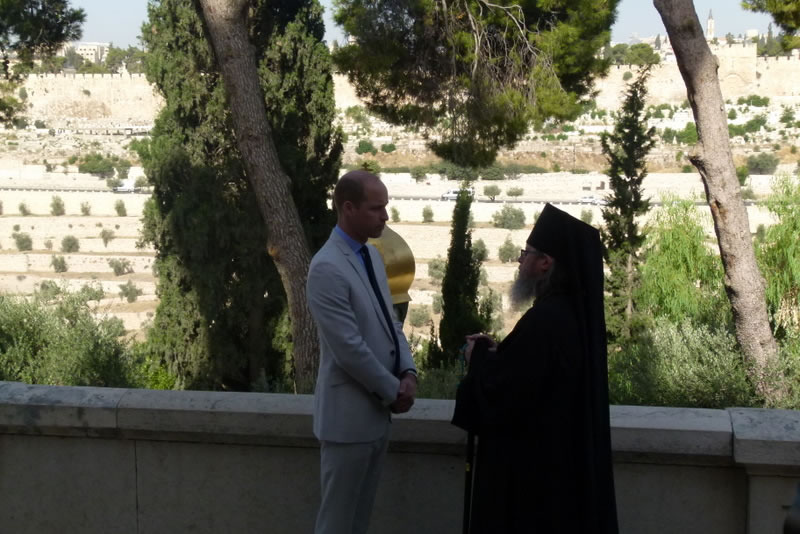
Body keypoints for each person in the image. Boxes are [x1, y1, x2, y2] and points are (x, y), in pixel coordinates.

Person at [452, 203, 618, 533]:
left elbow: (505, 393)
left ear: (545, 262)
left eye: (526, 253)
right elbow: (529, 371)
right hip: (561, 468)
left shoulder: (546, 319)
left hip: (535, 476)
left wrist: (477, 358)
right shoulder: (568, 315)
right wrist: (500, 354)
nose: (520, 261)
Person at [306, 170, 418, 534]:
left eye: (385, 207)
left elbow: (391, 323)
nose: (385, 216)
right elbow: (348, 350)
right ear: (348, 208)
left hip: (376, 418)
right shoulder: (326, 267)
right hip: (347, 422)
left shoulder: (370, 255)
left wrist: (409, 372)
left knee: (358, 523)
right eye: (376, 208)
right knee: (337, 524)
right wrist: (393, 391)